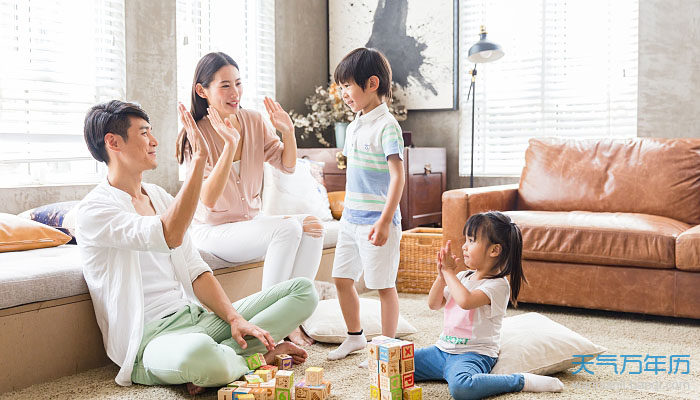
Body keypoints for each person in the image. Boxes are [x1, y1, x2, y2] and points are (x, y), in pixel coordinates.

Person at [77, 100, 317, 395]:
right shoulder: (94, 210)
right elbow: (168, 235)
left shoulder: (159, 196)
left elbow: (195, 269)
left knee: (304, 292)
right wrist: (201, 159)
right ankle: (257, 358)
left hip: (196, 318)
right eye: (143, 133)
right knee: (198, 354)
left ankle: (222, 360)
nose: (154, 141)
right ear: (113, 142)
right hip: (150, 340)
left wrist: (234, 319)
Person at [175, 52, 323, 346]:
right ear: (202, 91)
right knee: (288, 228)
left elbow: (288, 165)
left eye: (238, 83)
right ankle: (271, 326)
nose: (235, 93)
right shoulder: (195, 133)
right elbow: (207, 200)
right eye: (225, 85)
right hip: (213, 231)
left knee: (313, 226)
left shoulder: (254, 120)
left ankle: (291, 319)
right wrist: (229, 145)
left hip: (250, 225)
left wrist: (288, 132)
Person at [414, 211, 564, 399]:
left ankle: (520, 381)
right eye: (466, 240)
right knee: (397, 365)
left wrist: (449, 273)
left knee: (462, 388)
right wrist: (441, 276)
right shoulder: (462, 277)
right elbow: (434, 304)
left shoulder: (498, 285)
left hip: (473, 355)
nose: (464, 246)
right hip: (441, 351)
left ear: (494, 250)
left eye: (471, 240)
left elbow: (466, 301)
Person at [327, 48, 405, 361]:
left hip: (377, 222)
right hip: (350, 220)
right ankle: (355, 337)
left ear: (371, 83)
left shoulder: (387, 126)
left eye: (348, 86)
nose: (343, 93)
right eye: (341, 86)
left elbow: (398, 178)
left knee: (383, 285)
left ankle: (386, 347)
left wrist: (385, 221)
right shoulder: (356, 124)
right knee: (341, 280)